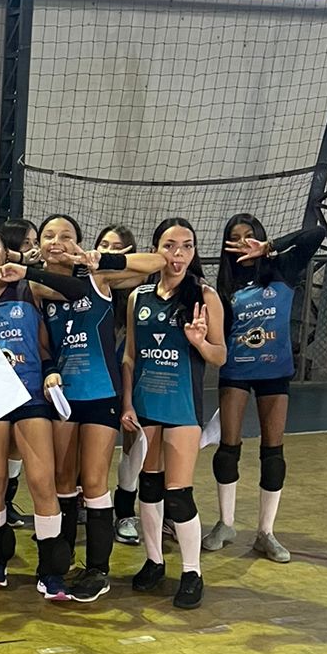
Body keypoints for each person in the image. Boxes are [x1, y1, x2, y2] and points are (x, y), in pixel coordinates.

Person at [37, 213, 165, 602]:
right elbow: (42, 344)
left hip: (100, 395)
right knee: (62, 480)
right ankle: (59, 563)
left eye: (66, 236)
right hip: (62, 398)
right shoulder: (36, 289)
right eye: (49, 235)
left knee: (93, 480)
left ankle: (98, 570)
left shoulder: (97, 278)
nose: (57, 241)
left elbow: (155, 262)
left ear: (79, 242)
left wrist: (101, 258)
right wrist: (48, 370)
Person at [0, 225, 82, 599]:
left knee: (42, 481)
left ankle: (51, 569)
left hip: (30, 394)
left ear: (4, 250)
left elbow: (75, 294)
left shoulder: (29, 288)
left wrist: (27, 268)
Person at [205, 213, 324, 562]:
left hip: (275, 372)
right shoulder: (224, 286)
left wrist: (270, 247)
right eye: (235, 237)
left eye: (249, 235)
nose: (242, 242)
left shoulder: (283, 268)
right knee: (228, 448)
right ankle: (225, 524)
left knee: (273, 452)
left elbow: (317, 233)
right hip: (236, 370)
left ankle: (265, 533)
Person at [122, 219, 226, 609]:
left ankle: (192, 572)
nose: (178, 254)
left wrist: (199, 343)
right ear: (156, 249)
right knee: (148, 487)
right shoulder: (139, 297)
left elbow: (220, 355)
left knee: (178, 494)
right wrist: (127, 403)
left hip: (182, 407)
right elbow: (130, 356)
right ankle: (154, 562)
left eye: (186, 246)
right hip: (146, 406)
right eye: (169, 245)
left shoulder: (204, 295)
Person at [94, 224, 144, 546]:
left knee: (131, 440)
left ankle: (125, 511)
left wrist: (115, 262)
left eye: (117, 247)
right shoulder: (85, 282)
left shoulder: (136, 292)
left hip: (125, 378)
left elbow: (150, 266)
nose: (109, 251)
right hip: (90, 379)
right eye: (104, 245)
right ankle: (82, 499)